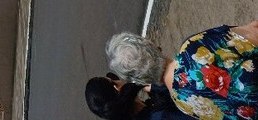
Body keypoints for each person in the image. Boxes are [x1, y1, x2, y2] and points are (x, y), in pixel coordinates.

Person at [106, 21, 258, 119]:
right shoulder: (193, 48)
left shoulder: (182, 104)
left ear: (140, 80)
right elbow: (254, 32)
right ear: (150, 45)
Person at [85, 73, 190, 120]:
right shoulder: (161, 115)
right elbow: (194, 102)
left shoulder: (151, 109)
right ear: (117, 88)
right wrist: (157, 87)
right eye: (113, 79)